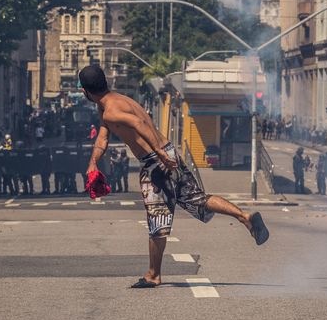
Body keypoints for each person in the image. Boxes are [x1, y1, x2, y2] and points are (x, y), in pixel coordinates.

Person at [78, 65, 269, 289]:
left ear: (85, 91)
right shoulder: (116, 102)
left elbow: (138, 125)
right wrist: (93, 163)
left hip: (155, 161)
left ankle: (153, 274)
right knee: (197, 199)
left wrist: (158, 152)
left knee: (157, 217)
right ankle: (243, 216)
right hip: (167, 152)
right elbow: (103, 137)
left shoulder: (110, 110)